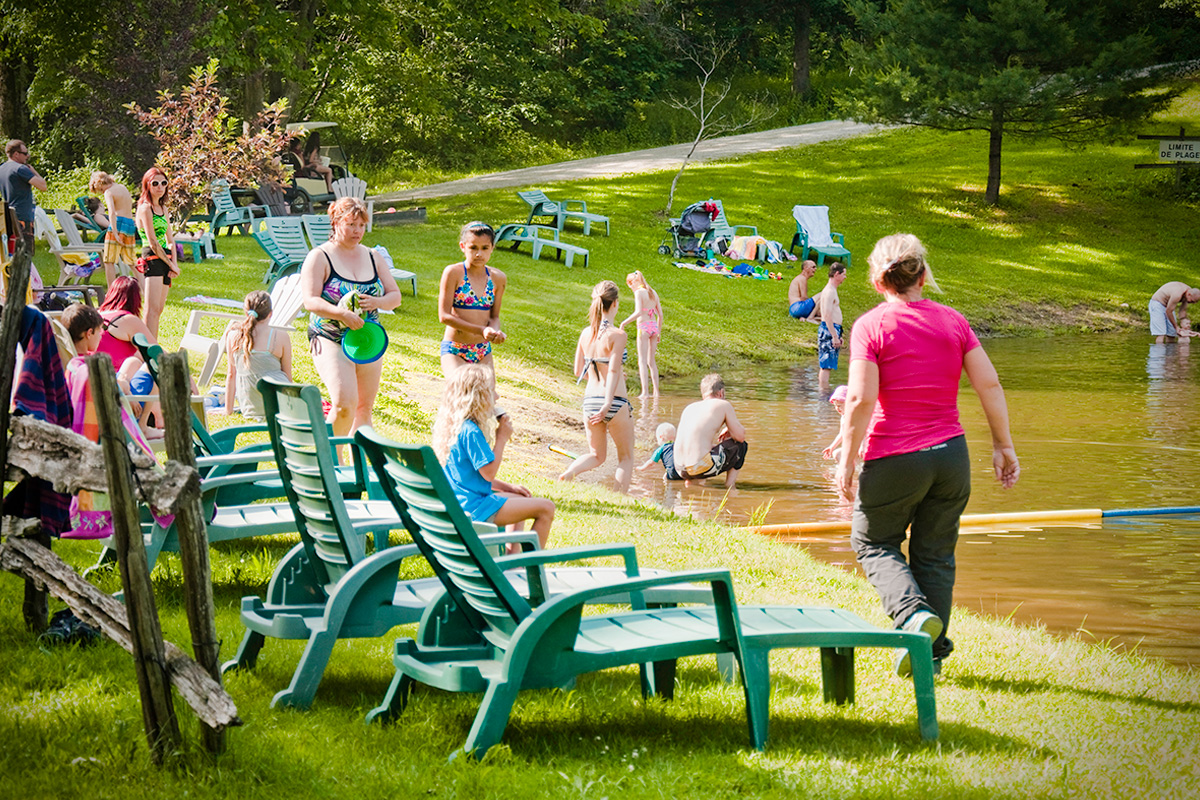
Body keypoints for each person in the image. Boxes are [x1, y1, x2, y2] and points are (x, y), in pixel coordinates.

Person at [836, 233, 1020, 678]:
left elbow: (860, 399)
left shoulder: (871, 325)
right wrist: (1003, 444)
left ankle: (912, 615)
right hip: (951, 457)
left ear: (879, 281)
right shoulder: (954, 322)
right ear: (922, 274)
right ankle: (930, 657)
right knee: (935, 555)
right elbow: (989, 385)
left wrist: (848, 456)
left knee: (872, 541)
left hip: (896, 456)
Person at [301, 196, 403, 438]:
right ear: (335, 223)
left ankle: (356, 469)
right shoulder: (320, 256)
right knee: (343, 404)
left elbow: (395, 296)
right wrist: (341, 314)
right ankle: (332, 461)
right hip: (329, 336)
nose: (357, 231)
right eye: (351, 225)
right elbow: (310, 301)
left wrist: (377, 302)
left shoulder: (373, 256)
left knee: (363, 409)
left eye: (361, 225)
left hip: (367, 338)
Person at [432, 364, 555, 547]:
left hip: (460, 503)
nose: (497, 397)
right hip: (474, 509)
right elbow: (488, 473)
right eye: (492, 391)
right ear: (478, 397)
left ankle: (513, 560)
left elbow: (473, 476)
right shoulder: (471, 432)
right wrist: (501, 438)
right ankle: (528, 566)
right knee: (547, 508)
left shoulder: (455, 426)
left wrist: (509, 487)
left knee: (521, 499)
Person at [557, 280, 635, 492]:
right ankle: (619, 497)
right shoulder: (618, 335)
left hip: (590, 400)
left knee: (596, 455)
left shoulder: (585, 333)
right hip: (614, 402)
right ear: (616, 303)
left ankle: (568, 474)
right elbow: (611, 370)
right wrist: (608, 402)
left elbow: (578, 371)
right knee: (626, 457)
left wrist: (612, 372)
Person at [438, 221, 507, 378]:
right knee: (459, 393)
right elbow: (444, 316)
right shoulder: (454, 273)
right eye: (473, 248)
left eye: (484, 248)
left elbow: (494, 317)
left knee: (486, 397)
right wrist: (481, 330)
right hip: (455, 348)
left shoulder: (498, 278)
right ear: (463, 247)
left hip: (482, 351)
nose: (479, 254)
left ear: (492, 248)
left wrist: (495, 332)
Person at [222, 290, 293, 419]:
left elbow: (231, 374)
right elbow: (287, 376)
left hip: (251, 409)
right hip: (280, 408)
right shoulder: (281, 336)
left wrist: (228, 410)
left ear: (245, 312)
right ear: (270, 314)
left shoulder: (233, 336)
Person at [672, 373, 748, 489]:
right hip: (698, 467)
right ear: (721, 392)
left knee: (707, 451)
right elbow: (740, 436)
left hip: (679, 468)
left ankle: (692, 483)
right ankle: (730, 486)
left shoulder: (689, 408)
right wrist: (729, 429)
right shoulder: (723, 404)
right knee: (740, 446)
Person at [134, 167, 179, 338]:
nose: (160, 187)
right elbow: (153, 242)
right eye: (155, 183)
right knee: (151, 308)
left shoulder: (163, 208)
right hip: (152, 258)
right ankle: (147, 347)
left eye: (163, 183)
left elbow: (170, 240)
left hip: (166, 257)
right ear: (147, 185)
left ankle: (153, 342)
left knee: (159, 308)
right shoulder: (145, 208)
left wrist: (174, 264)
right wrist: (170, 264)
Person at [95, 276, 156, 372]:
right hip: (116, 377)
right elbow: (156, 353)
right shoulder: (127, 320)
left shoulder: (97, 315)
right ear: (136, 299)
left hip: (91, 374)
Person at [620, 270, 663, 398]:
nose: (631, 289)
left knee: (642, 361)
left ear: (632, 282)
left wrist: (623, 323)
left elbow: (638, 312)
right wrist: (658, 331)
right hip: (654, 327)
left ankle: (645, 392)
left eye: (630, 285)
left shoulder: (639, 293)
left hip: (643, 327)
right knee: (652, 361)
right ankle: (656, 392)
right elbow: (660, 314)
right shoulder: (652, 292)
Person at [0, 139, 47, 255]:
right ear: (16, 154)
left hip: (8, 218)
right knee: (25, 254)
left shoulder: (1, 169)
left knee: (12, 253)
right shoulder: (21, 169)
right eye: (25, 153)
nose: (27, 156)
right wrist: (34, 171)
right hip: (23, 218)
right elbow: (43, 186)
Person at [89, 171, 135, 287]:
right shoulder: (122, 187)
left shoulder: (109, 192)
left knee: (108, 261)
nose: (101, 192)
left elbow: (112, 213)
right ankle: (145, 289)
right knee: (131, 261)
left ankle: (111, 292)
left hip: (117, 223)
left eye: (99, 190)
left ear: (99, 184)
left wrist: (114, 231)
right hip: (129, 223)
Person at [817, 261, 847, 391]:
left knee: (829, 364)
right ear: (836, 274)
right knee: (826, 365)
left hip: (833, 329)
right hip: (829, 329)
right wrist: (834, 335)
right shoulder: (829, 291)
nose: (845, 277)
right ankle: (823, 392)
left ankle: (825, 391)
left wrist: (838, 334)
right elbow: (827, 315)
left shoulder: (832, 290)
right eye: (844, 274)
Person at [821, 385, 849, 460]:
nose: (837, 408)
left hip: (862, 445)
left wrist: (862, 447)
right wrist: (832, 447)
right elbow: (842, 434)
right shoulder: (844, 417)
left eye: (840, 405)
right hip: (851, 446)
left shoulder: (856, 416)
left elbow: (864, 433)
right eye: (835, 406)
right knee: (837, 454)